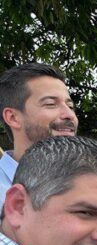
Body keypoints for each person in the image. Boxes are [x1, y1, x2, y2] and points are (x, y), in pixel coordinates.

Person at [0, 63, 78, 207]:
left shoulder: (86, 185)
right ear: (13, 118)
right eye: (50, 104)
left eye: (71, 106)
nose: (69, 115)